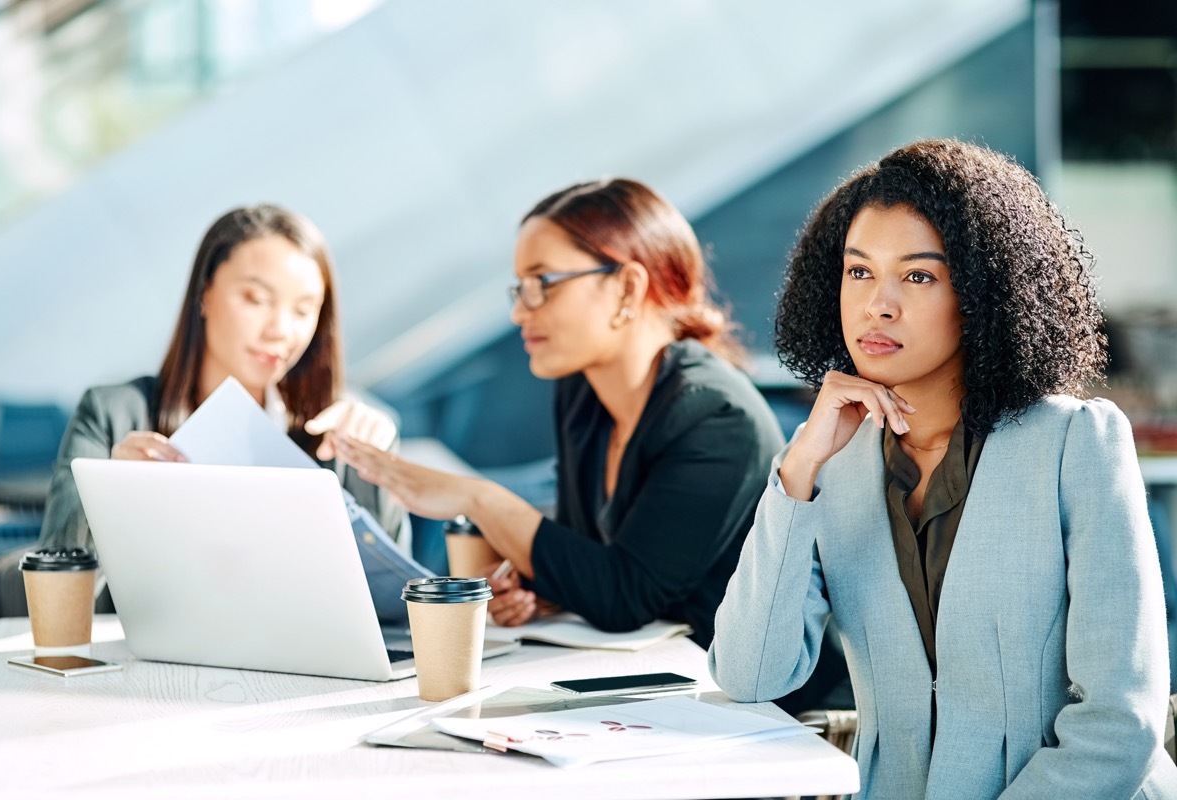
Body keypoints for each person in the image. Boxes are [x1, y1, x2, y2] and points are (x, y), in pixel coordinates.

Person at [708, 139, 1177, 798]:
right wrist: (801, 467)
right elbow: (752, 674)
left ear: (983, 293)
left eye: (919, 276)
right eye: (859, 272)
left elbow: (1119, 724)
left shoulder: (1076, 443)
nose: (879, 304)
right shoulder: (829, 462)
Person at [327, 178, 783, 653]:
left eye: (542, 284)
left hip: (751, 704)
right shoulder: (583, 390)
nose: (520, 313)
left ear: (628, 287)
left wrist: (478, 498)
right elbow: (589, 556)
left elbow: (626, 597)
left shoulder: (717, 416)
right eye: (518, 289)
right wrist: (539, 591)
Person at [39, 204, 408, 563]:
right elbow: (55, 581)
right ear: (205, 294)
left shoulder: (339, 430)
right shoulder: (112, 415)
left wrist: (376, 471)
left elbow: (396, 604)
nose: (280, 330)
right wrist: (111, 500)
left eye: (302, 310)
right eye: (256, 299)